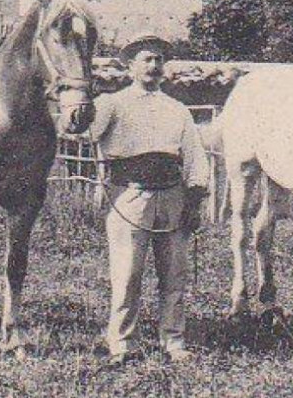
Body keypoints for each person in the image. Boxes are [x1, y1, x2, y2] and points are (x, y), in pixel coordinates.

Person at [90, 34, 209, 364]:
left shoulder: (177, 109)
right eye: (147, 59)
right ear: (130, 67)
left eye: (159, 60)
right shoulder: (111, 104)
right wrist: (86, 103)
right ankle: (121, 341)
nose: (154, 66)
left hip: (172, 196)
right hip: (131, 196)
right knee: (127, 274)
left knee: (174, 276)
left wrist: (194, 199)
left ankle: (173, 341)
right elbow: (84, 132)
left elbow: (196, 157)